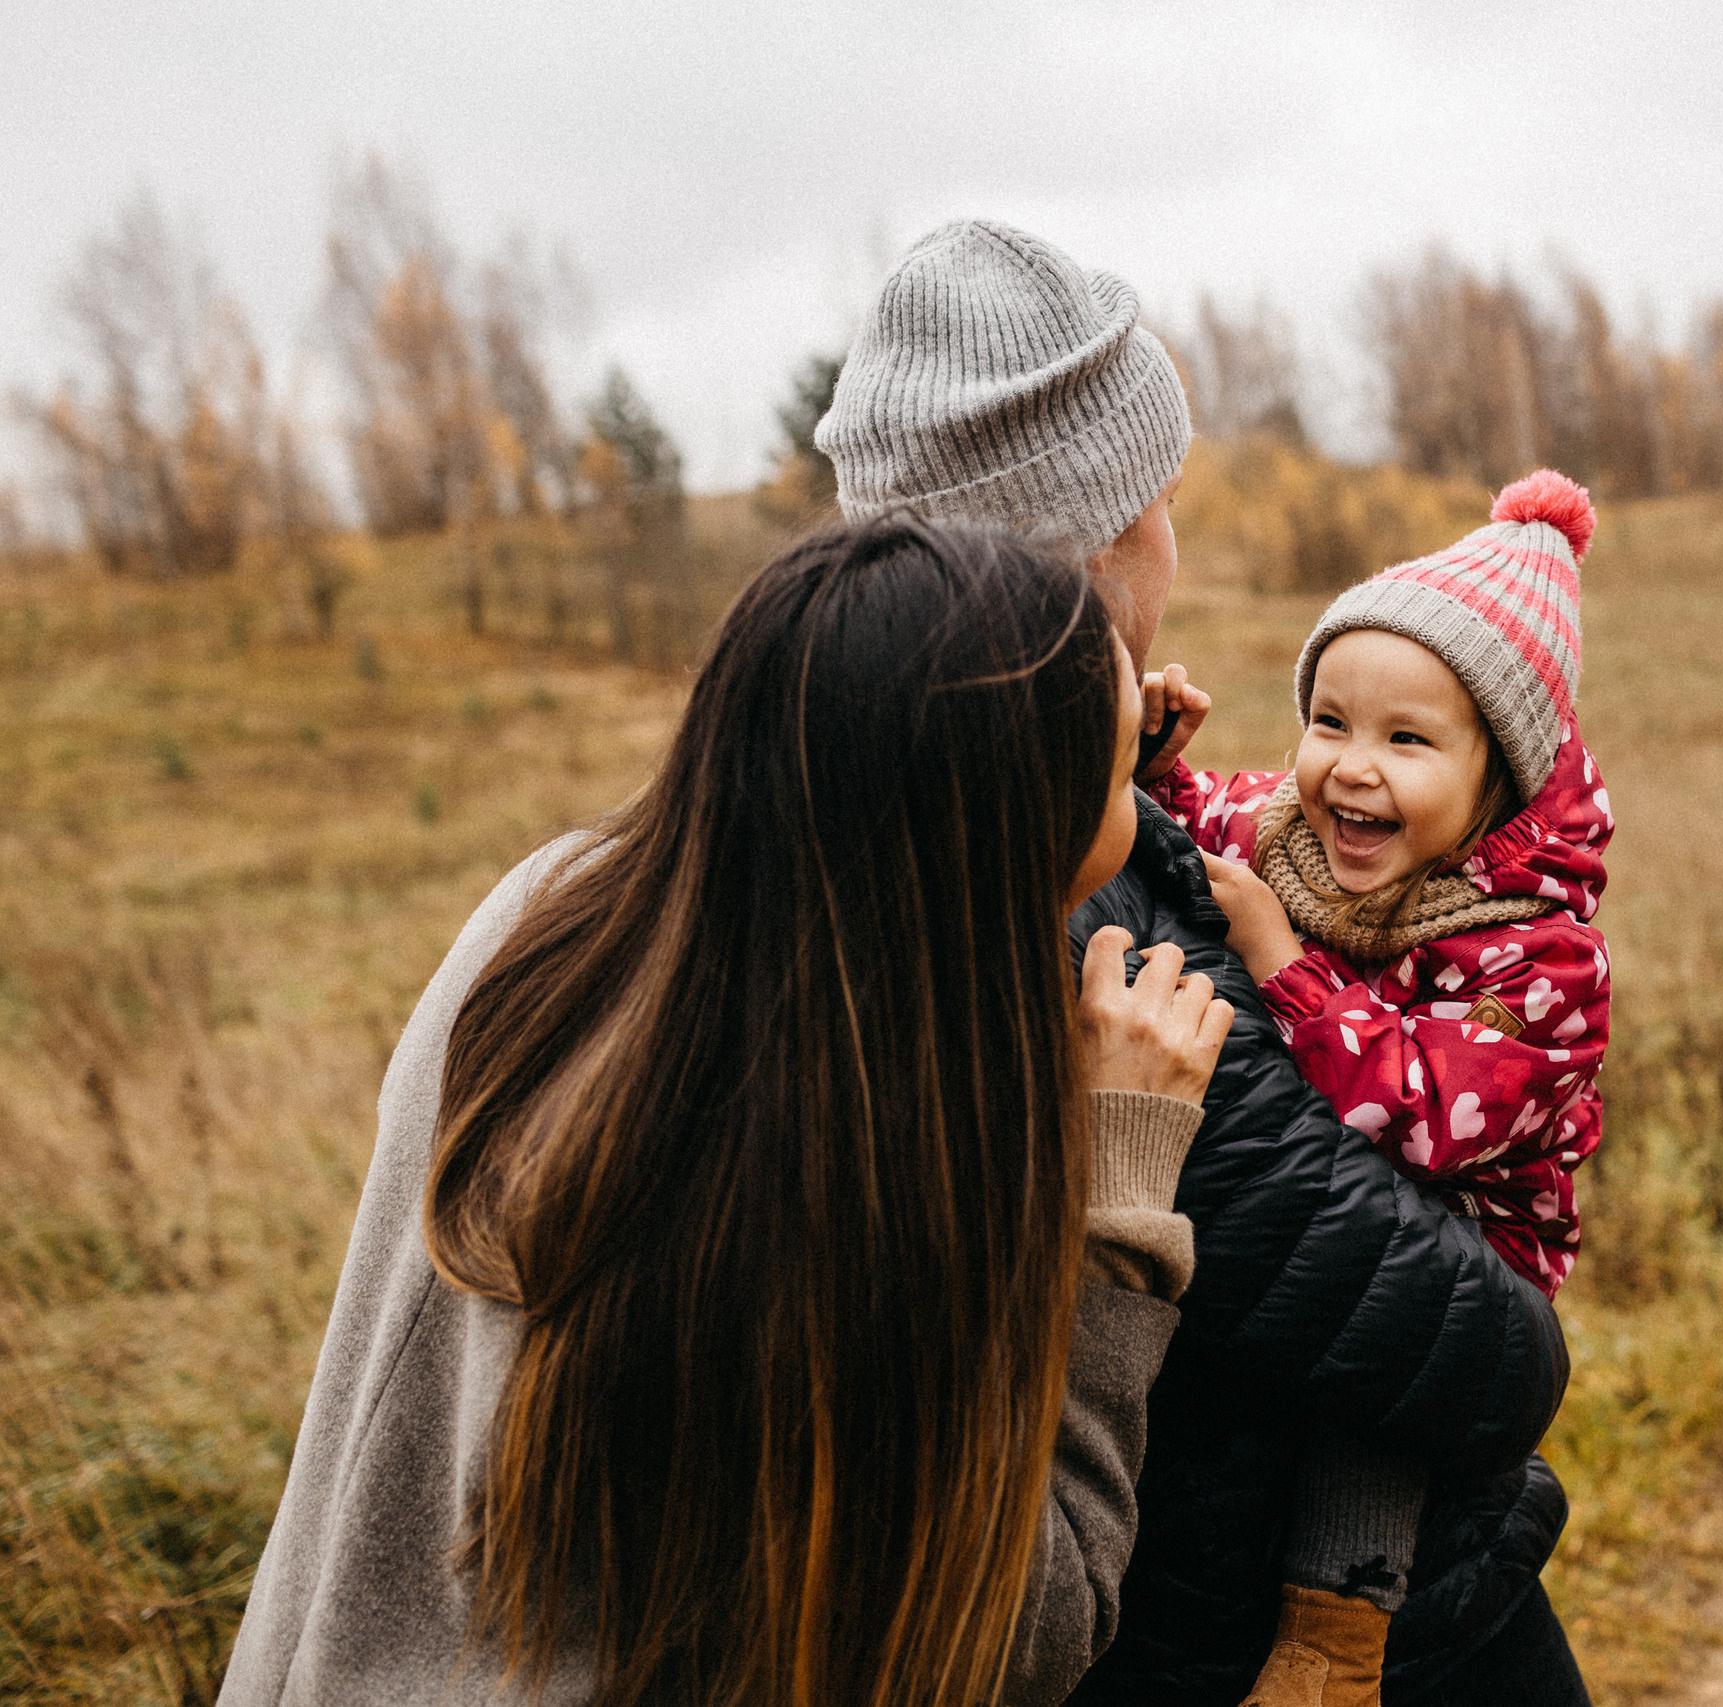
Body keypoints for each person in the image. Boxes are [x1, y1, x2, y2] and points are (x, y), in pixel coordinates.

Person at [219, 516, 1234, 1707]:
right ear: (1008, 826)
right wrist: (1115, 1211)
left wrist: (1069, 742)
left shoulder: (551, 914)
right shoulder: (830, 1182)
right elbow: (1018, 1636)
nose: (1139, 812)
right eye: (1115, 778)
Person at [817, 219, 1580, 1707]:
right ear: (1101, 539)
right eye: (1160, 501)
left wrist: (1134, 767)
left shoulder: (883, 809)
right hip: (1286, 1637)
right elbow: (1480, 1360)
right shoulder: (1082, 911)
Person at [1145, 471, 1614, 1705]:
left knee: (1376, 1381)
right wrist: (1151, 763)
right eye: (1330, 722)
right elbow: (1195, 828)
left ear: (1499, 775)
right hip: (1339, 1192)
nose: (1352, 769)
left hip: (1467, 1240)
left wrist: (1282, 965)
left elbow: (1431, 1122)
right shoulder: (1291, 833)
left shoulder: (1541, 956)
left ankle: (1335, 1635)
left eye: (1407, 741)